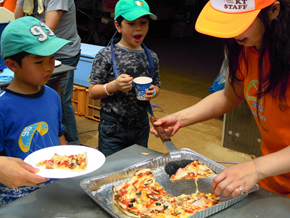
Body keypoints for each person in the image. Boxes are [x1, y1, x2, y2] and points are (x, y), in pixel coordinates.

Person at [151, 0, 290, 199]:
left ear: (273, 10)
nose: (233, 33)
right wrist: (182, 117)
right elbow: (229, 96)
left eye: (240, 23)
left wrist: (257, 168)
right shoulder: (246, 49)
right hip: (274, 175)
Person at [0, 16, 69, 206]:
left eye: (52, 59)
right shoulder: (3, 107)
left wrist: (71, 168)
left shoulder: (52, 95)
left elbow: (59, 134)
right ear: (12, 65)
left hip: (55, 187)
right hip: (18, 198)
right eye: (39, 62)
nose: (48, 68)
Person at [89, 0, 161, 157]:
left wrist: (152, 92)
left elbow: (157, 86)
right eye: (131, 23)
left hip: (140, 125)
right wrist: (113, 86)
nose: (138, 28)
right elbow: (92, 92)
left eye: (143, 22)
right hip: (112, 126)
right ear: (118, 26)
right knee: (111, 169)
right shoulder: (105, 55)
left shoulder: (151, 57)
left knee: (137, 169)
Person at [14, 0, 82, 145]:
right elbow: (17, 22)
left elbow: (48, 31)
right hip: (38, 52)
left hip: (63, 53)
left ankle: (73, 143)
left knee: (61, 100)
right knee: (45, 99)